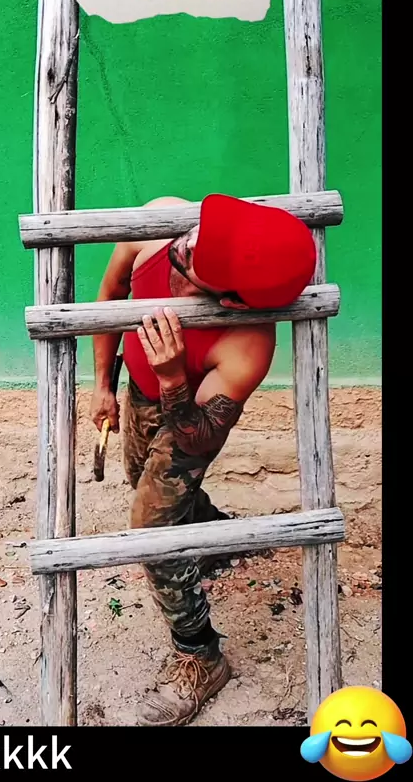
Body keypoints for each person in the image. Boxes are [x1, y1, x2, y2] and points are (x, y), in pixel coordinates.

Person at [90, 193, 316, 726]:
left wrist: (172, 377)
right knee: (137, 477)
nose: (187, 244)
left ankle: (201, 656)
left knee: (152, 526)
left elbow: (198, 439)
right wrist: (102, 384)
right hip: (140, 392)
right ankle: (210, 534)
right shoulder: (162, 223)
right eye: (200, 235)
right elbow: (111, 295)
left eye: (200, 260)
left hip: (186, 411)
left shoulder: (248, 341)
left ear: (232, 302)